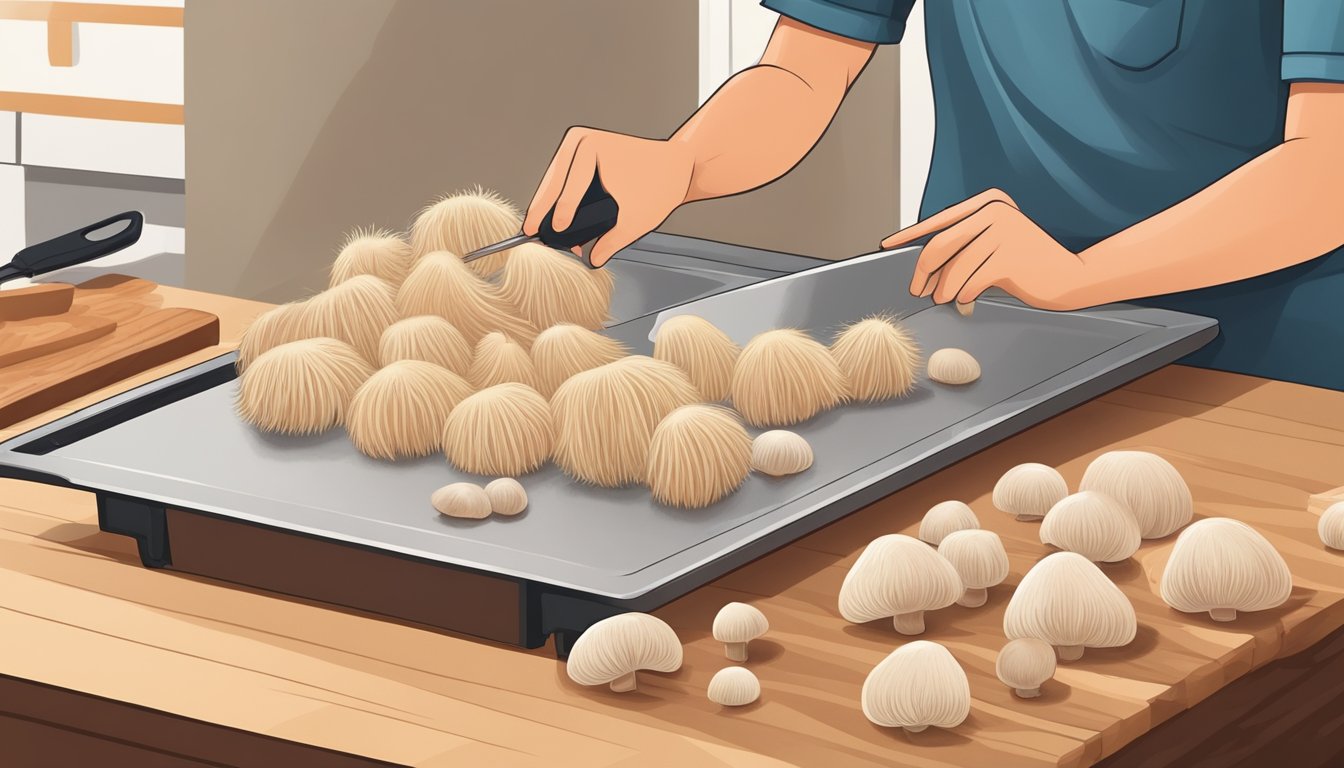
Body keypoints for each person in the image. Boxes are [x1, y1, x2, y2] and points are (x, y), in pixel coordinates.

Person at [524, 1, 1344, 390]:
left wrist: (1079, 275)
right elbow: (804, 71)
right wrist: (683, 162)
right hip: (984, 342)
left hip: (1264, 378)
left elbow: (1327, 168)